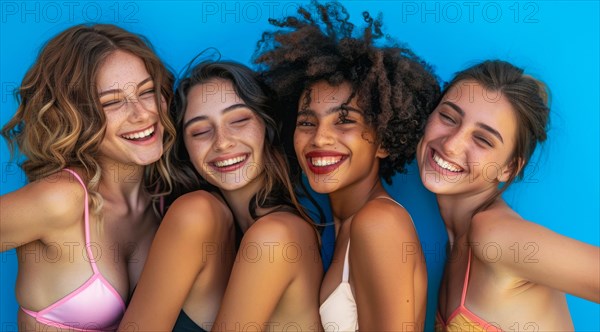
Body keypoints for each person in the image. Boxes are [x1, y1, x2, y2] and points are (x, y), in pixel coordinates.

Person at [254, 1, 441, 330]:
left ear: (383, 140)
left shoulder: (379, 223)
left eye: (345, 122)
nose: (320, 139)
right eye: (307, 123)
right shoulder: (347, 226)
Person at [120, 60, 323, 331]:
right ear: (185, 150)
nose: (222, 142)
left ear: (267, 125)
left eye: (239, 120)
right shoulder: (217, 225)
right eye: (201, 131)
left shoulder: (276, 236)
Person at [0, 24, 175, 331]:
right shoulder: (62, 199)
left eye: (147, 92)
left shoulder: (163, 198)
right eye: (111, 102)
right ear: (73, 117)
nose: (142, 114)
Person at [415, 60, 600, 331]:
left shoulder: (495, 235)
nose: (451, 144)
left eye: (483, 140)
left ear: (509, 168)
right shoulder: (457, 243)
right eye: (448, 117)